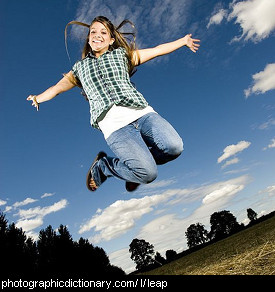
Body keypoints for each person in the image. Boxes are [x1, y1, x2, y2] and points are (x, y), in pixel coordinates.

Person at [27, 16, 200, 192]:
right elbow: (57, 88)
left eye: (103, 32)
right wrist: (37, 98)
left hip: (142, 113)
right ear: (88, 38)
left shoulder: (122, 55)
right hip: (115, 127)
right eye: (93, 31)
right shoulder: (79, 68)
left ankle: (134, 168)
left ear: (111, 40)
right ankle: (104, 167)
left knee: (174, 147)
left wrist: (183, 41)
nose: (97, 35)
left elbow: (156, 50)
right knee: (148, 174)